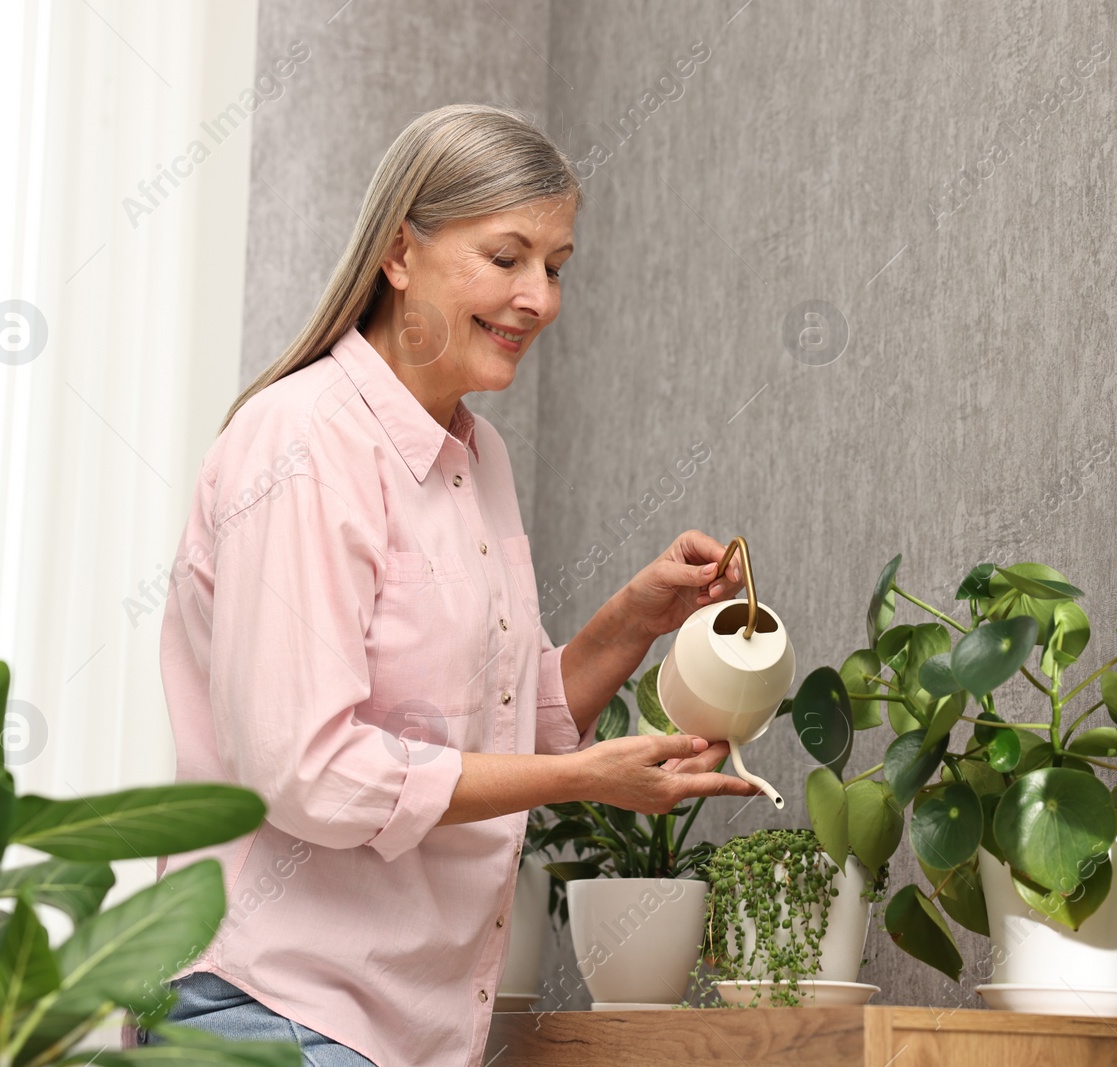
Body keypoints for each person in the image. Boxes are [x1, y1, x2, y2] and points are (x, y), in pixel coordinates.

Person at [130, 103, 761, 1067]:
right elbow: (313, 772)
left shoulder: (478, 457)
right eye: (506, 257)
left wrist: (634, 620)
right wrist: (584, 781)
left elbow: (507, 731)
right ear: (398, 254)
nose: (540, 297)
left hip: (401, 1032)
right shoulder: (302, 443)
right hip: (271, 1010)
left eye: (555, 266)